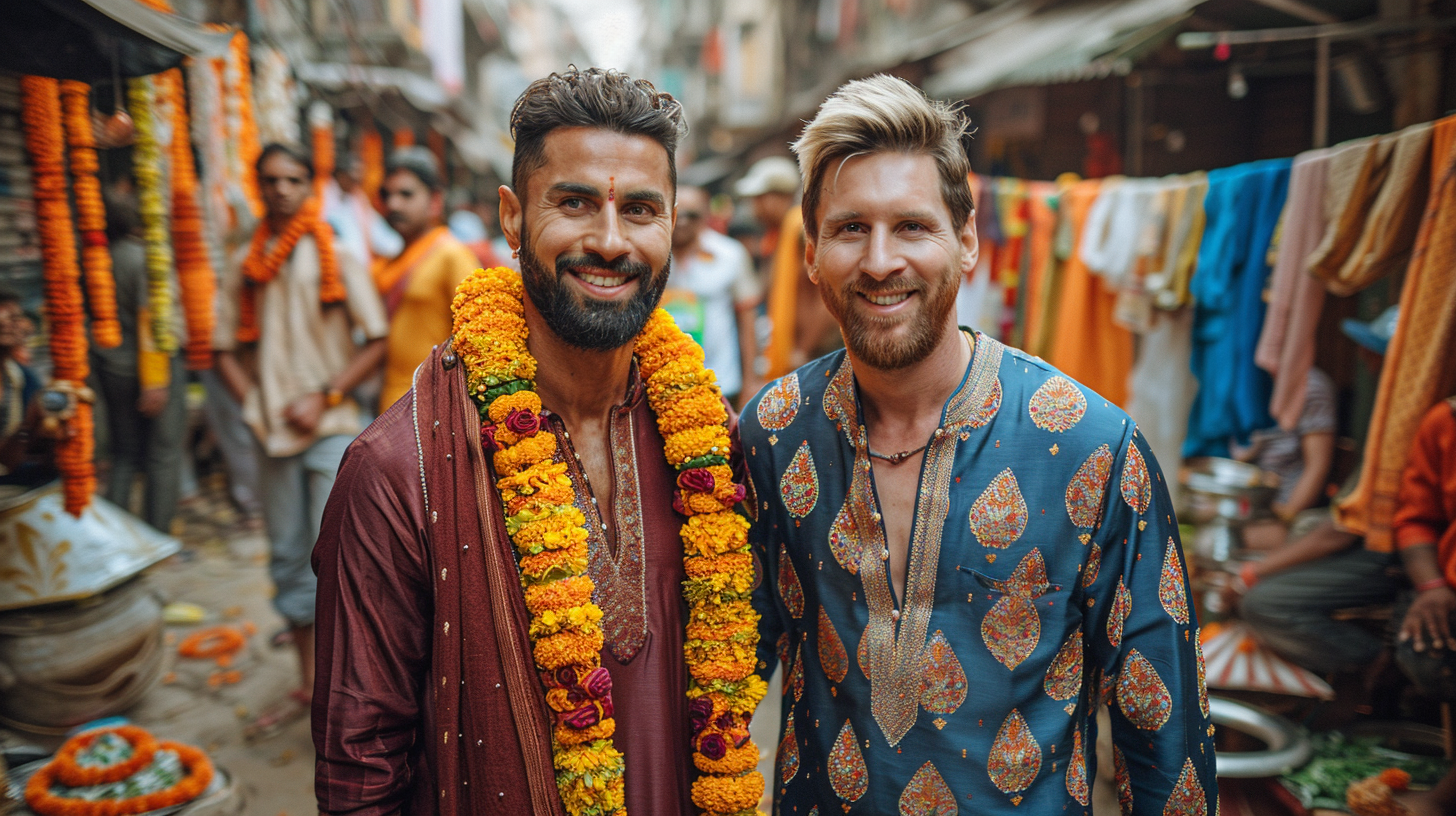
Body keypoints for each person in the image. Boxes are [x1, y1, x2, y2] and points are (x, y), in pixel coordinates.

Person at [742, 75, 1216, 812]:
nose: (879, 262)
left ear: (966, 243)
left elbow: (1163, 734)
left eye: (911, 227)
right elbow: (718, 681)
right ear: (810, 255)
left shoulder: (1092, 447)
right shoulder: (773, 433)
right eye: (849, 229)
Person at [313, 67, 763, 816]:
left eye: (642, 210)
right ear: (513, 218)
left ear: (674, 223)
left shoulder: (707, 441)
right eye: (575, 203)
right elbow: (359, 774)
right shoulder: (397, 471)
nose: (611, 241)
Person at [213, 143, 389, 734]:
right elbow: (223, 349)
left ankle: (353, 693)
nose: (281, 189)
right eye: (270, 180)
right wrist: (252, 401)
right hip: (271, 433)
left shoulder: (336, 252)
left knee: (336, 558)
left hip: (330, 429)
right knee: (289, 557)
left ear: (307, 185)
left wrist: (327, 396)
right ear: (258, 186)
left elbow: (376, 338)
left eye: (293, 179)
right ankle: (311, 685)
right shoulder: (244, 259)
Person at [1232, 309, 1407, 674]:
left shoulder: (1400, 422)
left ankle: (1377, 670)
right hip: (1349, 533)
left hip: (1386, 554)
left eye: (1374, 350)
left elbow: (1339, 529)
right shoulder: (1256, 382)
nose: (1364, 357)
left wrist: (1257, 570)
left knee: (1264, 602)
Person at [93, 189, 187, 532]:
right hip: (150, 369)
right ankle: (157, 536)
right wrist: (156, 382)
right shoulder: (143, 258)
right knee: (162, 455)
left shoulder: (99, 259)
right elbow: (153, 322)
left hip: (111, 367)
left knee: (124, 454)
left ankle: (116, 538)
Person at [1389, 394, 1456, 815]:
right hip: (1448, 585)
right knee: (1426, 651)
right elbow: (1416, 516)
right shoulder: (1446, 421)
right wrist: (1432, 587)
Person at [373, 147, 479, 410]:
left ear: (435, 201)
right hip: (387, 406)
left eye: (406, 194)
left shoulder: (452, 255)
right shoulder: (388, 262)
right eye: (387, 195)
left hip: (430, 408)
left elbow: (480, 337)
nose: (393, 204)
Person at [739, 156, 843, 379]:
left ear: (782, 197)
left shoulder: (801, 232)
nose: (754, 207)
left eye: (759, 199)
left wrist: (803, 350)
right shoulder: (777, 236)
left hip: (816, 352)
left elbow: (828, 295)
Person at [663, 185, 761, 405]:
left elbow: (747, 320)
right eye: (678, 212)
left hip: (720, 381)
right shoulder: (653, 254)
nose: (684, 221)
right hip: (662, 383)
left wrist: (750, 382)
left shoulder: (730, 254)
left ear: (706, 215)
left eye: (693, 215)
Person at [1234, 366, 1339, 550]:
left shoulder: (1310, 385)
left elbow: (1317, 466)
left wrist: (1286, 517)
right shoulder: (1245, 377)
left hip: (1280, 513)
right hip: (1244, 505)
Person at [323, 152, 403, 265]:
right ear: (341, 175)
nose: (359, 178)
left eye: (361, 172)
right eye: (355, 172)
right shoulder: (322, 197)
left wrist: (402, 248)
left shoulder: (357, 200)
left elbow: (379, 232)